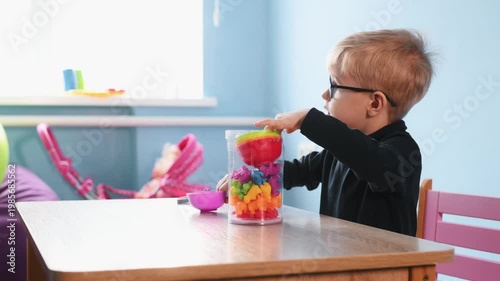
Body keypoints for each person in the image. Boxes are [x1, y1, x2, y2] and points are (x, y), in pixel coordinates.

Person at [217, 29, 435, 236]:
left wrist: (308, 120)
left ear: (375, 103)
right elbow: (299, 171)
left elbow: (372, 162)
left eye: (334, 86)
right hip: (340, 262)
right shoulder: (338, 152)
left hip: (388, 271)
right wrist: (255, 178)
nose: (324, 94)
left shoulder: (402, 153)